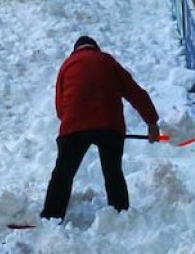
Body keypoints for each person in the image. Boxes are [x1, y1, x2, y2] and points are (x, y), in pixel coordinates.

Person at [41, 36, 160, 220]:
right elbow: (135, 92)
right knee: (113, 172)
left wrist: (74, 122)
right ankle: (121, 215)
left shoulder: (67, 65)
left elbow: (60, 107)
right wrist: (151, 122)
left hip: (74, 126)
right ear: (95, 48)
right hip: (109, 125)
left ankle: (51, 217)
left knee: (63, 173)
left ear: (76, 50)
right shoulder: (107, 61)